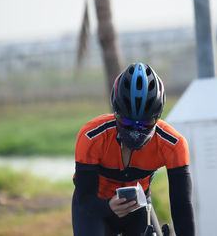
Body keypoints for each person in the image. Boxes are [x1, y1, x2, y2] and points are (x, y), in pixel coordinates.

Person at [72, 62, 195, 236]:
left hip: (138, 208)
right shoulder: (92, 136)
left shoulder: (173, 144)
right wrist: (108, 206)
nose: (136, 131)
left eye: (146, 123)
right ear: (115, 113)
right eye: (128, 122)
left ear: (158, 116)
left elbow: (181, 204)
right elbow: (84, 199)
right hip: (96, 208)